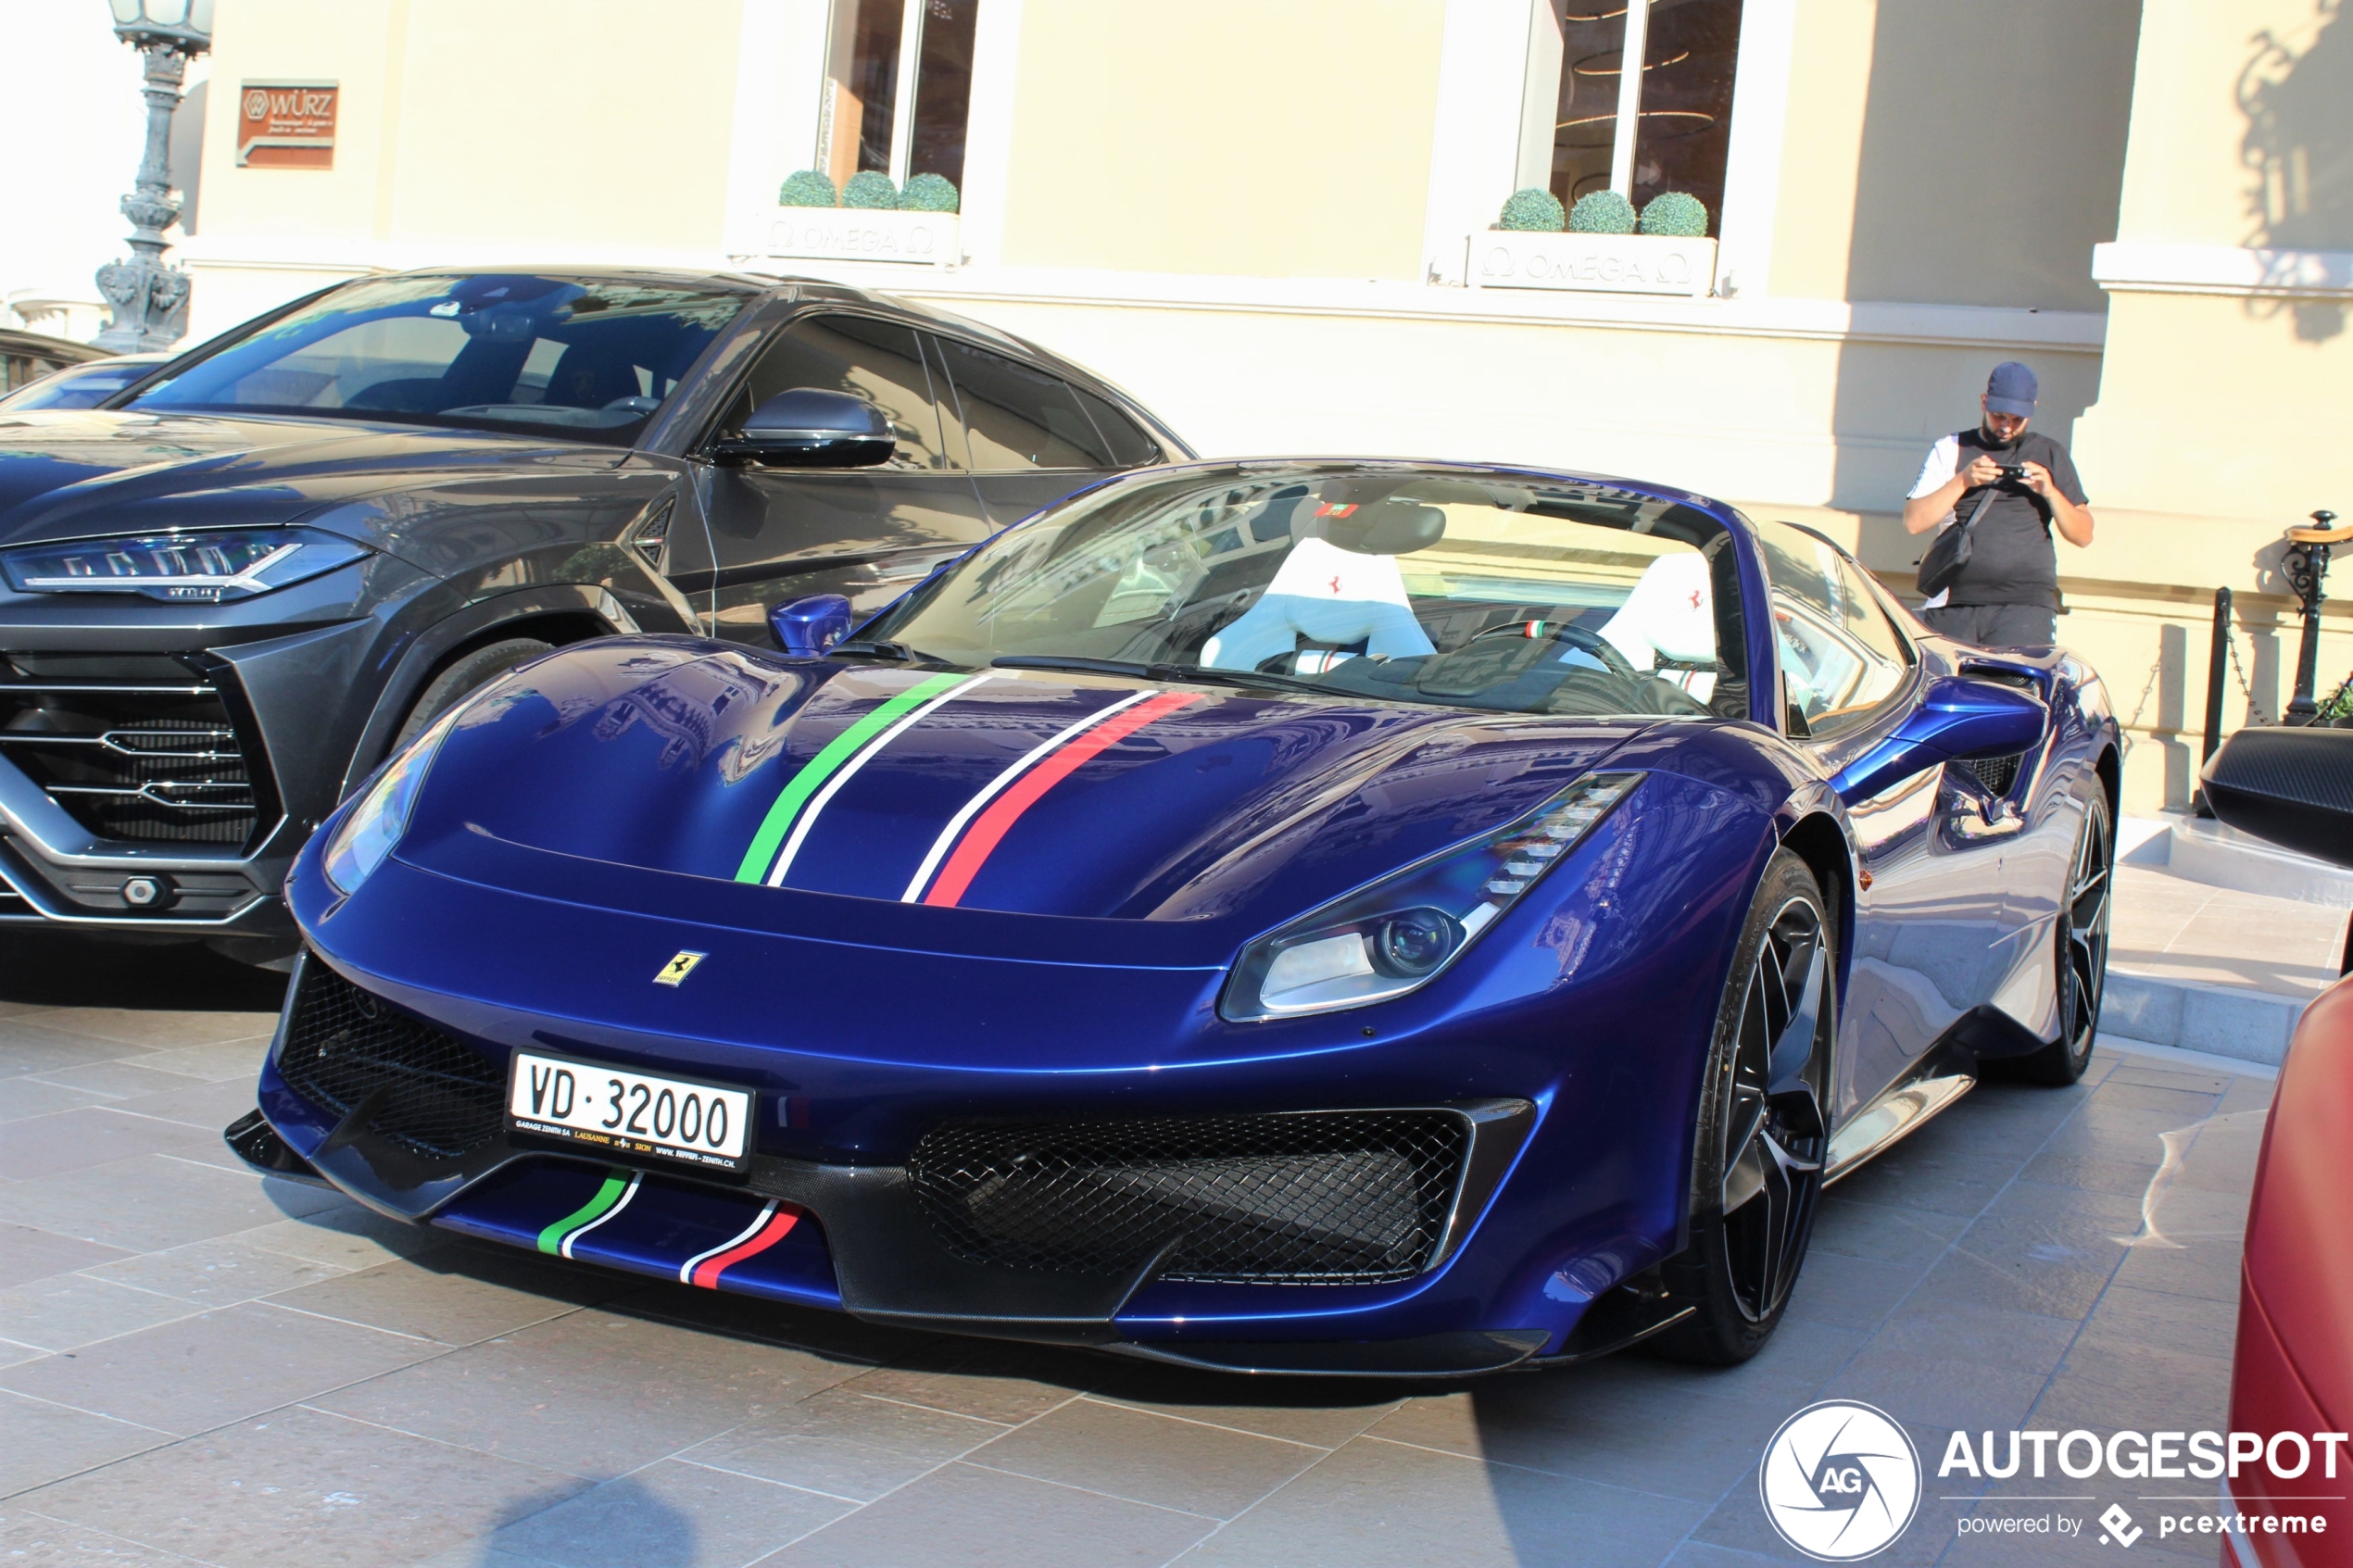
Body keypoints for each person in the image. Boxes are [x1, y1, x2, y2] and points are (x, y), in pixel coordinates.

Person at [1901, 360, 2094, 646]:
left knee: (2013, 689)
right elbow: (1914, 521)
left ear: (2032, 409)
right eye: (1998, 416)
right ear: (1983, 403)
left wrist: (2050, 492)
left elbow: (2083, 535)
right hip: (1954, 603)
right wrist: (1963, 481)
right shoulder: (1951, 448)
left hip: (2026, 605)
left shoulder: (2049, 452)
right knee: (1957, 689)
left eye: (2017, 420)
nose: (2006, 427)